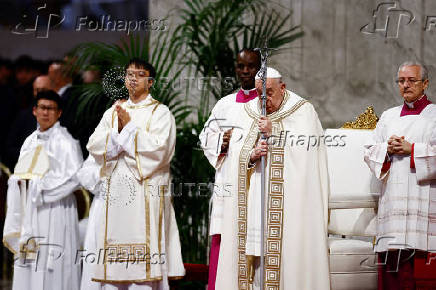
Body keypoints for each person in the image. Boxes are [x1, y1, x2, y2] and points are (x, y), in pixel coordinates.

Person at [213, 67, 330, 289]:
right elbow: (236, 152)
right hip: (254, 198)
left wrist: (275, 129)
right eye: (259, 93)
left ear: (282, 87)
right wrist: (250, 155)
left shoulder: (303, 110)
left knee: (286, 258)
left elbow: (309, 152)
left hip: (289, 205)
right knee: (254, 254)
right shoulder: (247, 110)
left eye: (269, 92)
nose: (264, 99)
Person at [86, 58, 185, 289]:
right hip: (117, 195)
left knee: (145, 269)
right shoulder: (114, 111)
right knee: (114, 268)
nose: (133, 78)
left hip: (145, 193)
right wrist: (118, 135)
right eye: (129, 73)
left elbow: (160, 151)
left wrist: (128, 129)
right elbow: (94, 144)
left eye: (140, 74)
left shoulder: (161, 112)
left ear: (150, 82)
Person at [364, 61, 436, 289]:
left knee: (415, 269)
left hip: (422, 197)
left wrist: (412, 150)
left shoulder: (434, 115)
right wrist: (387, 148)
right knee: (392, 265)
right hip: (393, 200)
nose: (406, 85)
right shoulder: (388, 116)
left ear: (425, 83)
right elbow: (369, 150)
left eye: (411, 80)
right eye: (401, 81)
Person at [3, 90, 83, 290]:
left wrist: (42, 188)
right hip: (32, 210)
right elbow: (23, 172)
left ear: (59, 113)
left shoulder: (67, 143)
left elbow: (75, 179)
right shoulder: (30, 141)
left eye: (51, 108)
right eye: (42, 108)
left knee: (55, 262)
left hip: (57, 210)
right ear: (34, 111)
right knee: (30, 263)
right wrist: (19, 181)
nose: (45, 113)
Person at [198, 48, 261, 289]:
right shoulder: (225, 104)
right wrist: (221, 141)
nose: (245, 71)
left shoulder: (268, 103)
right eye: (241, 66)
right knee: (224, 236)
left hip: (256, 179)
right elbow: (206, 137)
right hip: (228, 183)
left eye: (251, 66)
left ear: (260, 68)